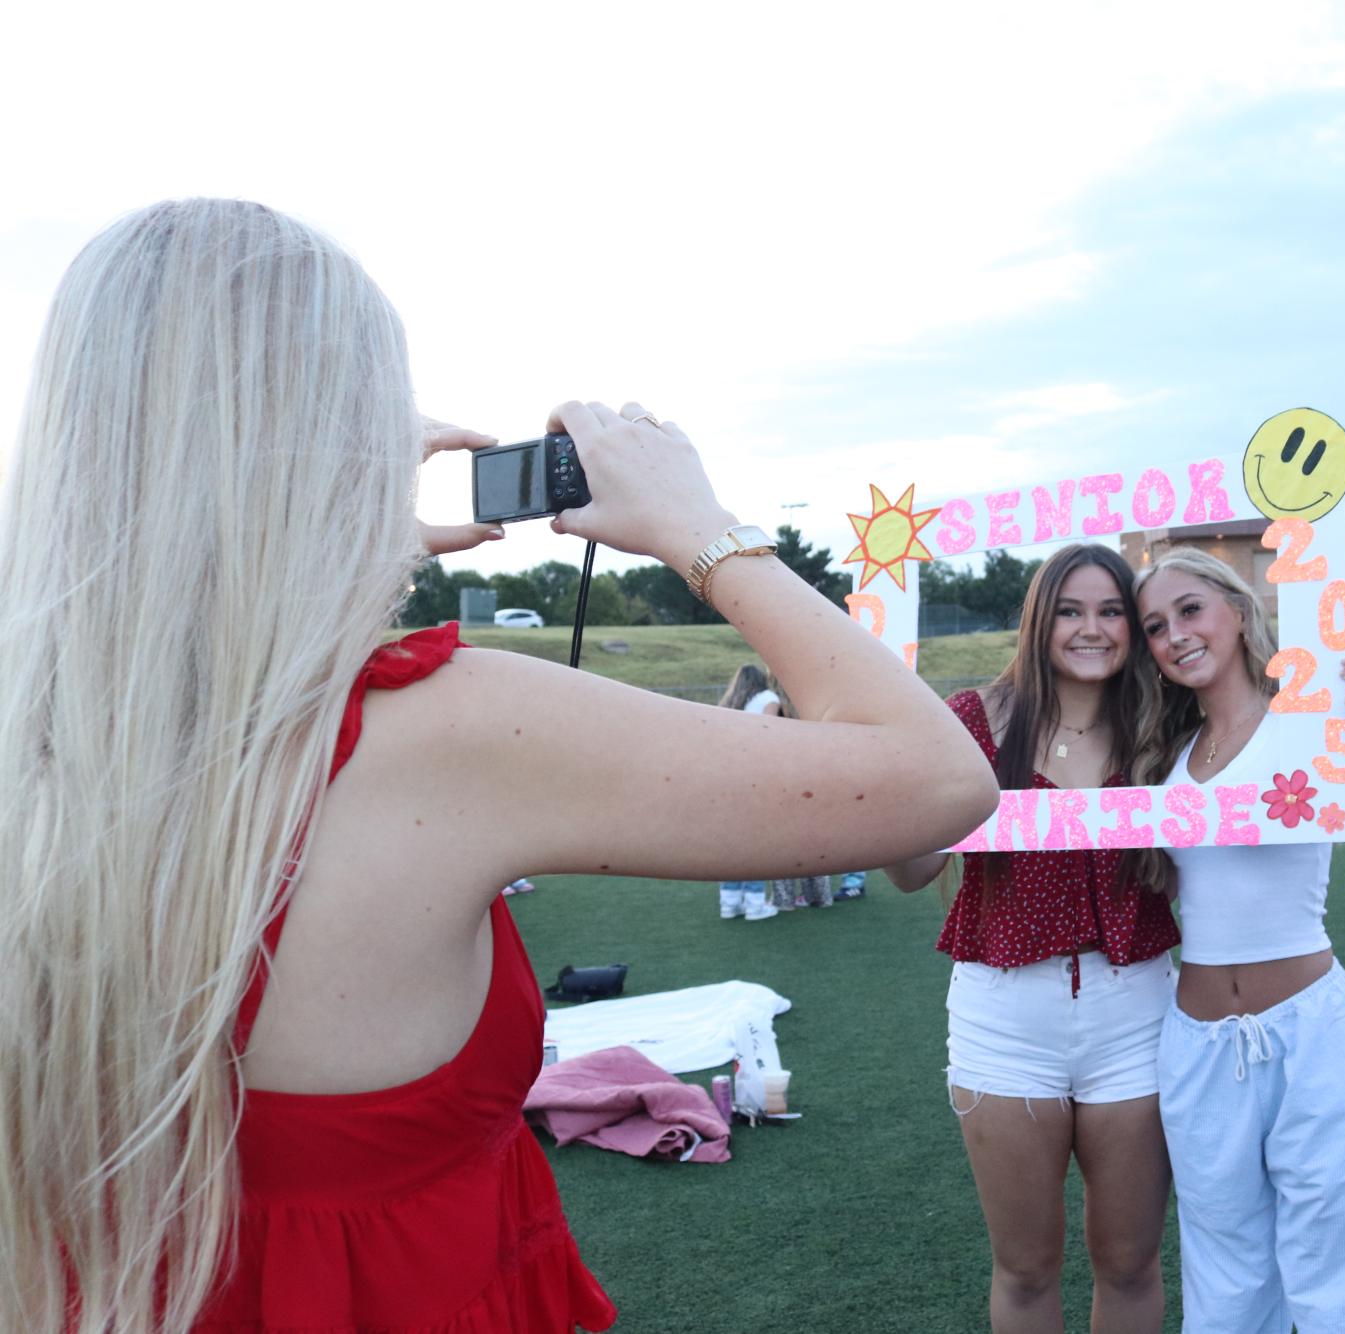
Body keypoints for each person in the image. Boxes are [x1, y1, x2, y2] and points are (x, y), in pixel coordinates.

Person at [0, 199, 998, 1334]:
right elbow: (934, 774)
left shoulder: (40, 745)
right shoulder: (437, 728)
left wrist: (330, 543)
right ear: (336, 439)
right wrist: (698, 526)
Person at [885, 543, 1179, 1334]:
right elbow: (911, 872)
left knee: (1129, 1262)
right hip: (1005, 1016)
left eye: (1110, 610)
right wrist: (878, 787)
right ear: (1037, 621)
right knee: (1025, 1269)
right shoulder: (974, 722)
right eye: (1069, 611)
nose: (1092, 629)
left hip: (1139, 1014)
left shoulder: (1163, 727)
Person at [1133, 547, 1345, 1334]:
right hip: (1194, 1044)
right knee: (1225, 1272)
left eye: (1190, 610)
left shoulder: (1312, 719)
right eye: (1155, 626)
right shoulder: (1162, 755)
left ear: (1235, 608)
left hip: (1307, 1031)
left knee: (1339, 1265)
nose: (1175, 635)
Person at [717, 664, 785, 919]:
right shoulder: (768, 698)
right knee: (756, 842)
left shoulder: (729, 703)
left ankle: (729, 902)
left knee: (733, 843)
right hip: (757, 776)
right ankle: (755, 904)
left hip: (729, 778)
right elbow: (766, 734)